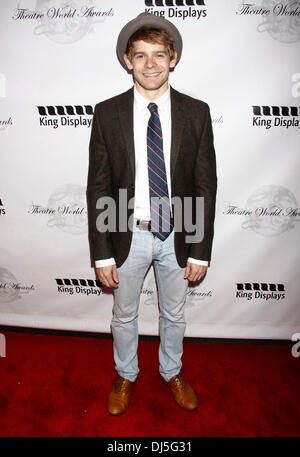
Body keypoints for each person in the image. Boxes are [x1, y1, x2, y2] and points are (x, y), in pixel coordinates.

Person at [87, 12, 217, 416]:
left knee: (174, 313)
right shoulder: (107, 113)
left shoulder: (196, 112)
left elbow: (204, 184)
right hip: (127, 232)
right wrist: (103, 252)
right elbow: (99, 185)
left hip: (177, 231)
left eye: (158, 55)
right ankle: (125, 374)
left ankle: (171, 371)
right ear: (128, 60)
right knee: (123, 314)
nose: (150, 65)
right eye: (140, 56)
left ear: (173, 58)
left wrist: (199, 249)